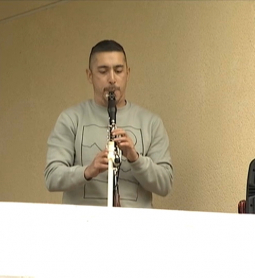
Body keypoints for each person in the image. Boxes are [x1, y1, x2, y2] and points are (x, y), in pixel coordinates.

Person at [44, 40, 173, 207]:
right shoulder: (70, 118)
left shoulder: (151, 123)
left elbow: (165, 185)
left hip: (135, 230)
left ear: (127, 73)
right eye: (103, 71)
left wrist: (135, 159)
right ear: (89, 75)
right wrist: (88, 171)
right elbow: (52, 177)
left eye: (118, 71)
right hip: (83, 227)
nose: (112, 79)